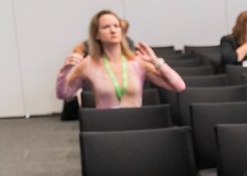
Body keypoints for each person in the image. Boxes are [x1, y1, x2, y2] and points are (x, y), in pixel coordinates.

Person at [56, 10, 185, 108]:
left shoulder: (137, 63)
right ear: (96, 34)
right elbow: (63, 94)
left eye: (116, 26)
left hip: (136, 125)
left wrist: (157, 61)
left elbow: (179, 86)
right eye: (106, 27)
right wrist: (65, 71)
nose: (113, 30)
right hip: (106, 127)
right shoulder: (88, 64)